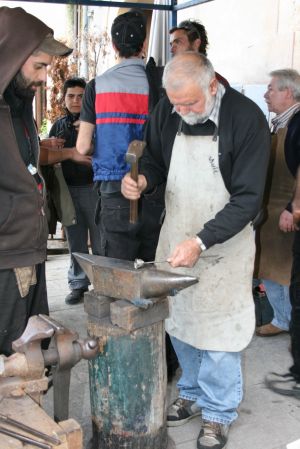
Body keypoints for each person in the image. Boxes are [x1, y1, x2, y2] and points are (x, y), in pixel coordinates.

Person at [121, 52, 270, 449]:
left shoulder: (247, 119)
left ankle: (219, 411)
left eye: (190, 103)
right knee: (181, 321)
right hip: (177, 234)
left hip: (225, 243)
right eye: (175, 103)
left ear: (212, 85)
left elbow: (248, 199)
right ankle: (192, 389)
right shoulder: (168, 112)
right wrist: (144, 182)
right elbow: (152, 158)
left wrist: (202, 241)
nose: (181, 111)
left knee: (220, 331)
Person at [0, 6, 72, 356]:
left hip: (29, 248)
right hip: (5, 255)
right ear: (11, 57)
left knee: (32, 353)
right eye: (39, 66)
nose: (45, 78)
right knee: (12, 354)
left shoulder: (19, 104)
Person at [77, 9, 164, 262]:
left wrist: (104, 143)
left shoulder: (97, 86)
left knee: (117, 267)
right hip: (153, 187)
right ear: (143, 44)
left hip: (114, 188)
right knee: (151, 264)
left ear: (114, 45)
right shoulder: (159, 83)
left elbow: (82, 147)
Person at [40, 77, 101, 305]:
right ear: (63, 98)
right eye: (70, 96)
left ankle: (104, 285)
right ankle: (78, 284)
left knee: (100, 239)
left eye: (80, 96)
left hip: (94, 189)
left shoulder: (97, 123)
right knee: (75, 240)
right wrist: (48, 145)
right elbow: (47, 160)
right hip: (67, 191)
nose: (75, 101)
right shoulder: (58, 126)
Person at [261, 69, 300, 397]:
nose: (266, 94)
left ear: (289, 93)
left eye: (271, 89)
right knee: (273, 270)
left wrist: (292, 207)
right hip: (272, 207)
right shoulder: (279, 122)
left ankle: (288, 321)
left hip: (286, 207)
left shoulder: (298, 123)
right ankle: (283, 318)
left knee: (287, 272)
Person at [169, 19, 229, 86]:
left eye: (178, 42)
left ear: (196, 44)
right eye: (171, 44)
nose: (171, 50)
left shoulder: (218, 84)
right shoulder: (169, 80)